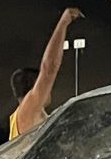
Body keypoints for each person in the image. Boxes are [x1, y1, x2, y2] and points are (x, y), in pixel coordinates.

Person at [9, 7, 83, 139]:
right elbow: (49, 68)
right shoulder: (28, 109)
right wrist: (64, 22)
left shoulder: (23, 117)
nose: (49, 90)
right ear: (34, 87)